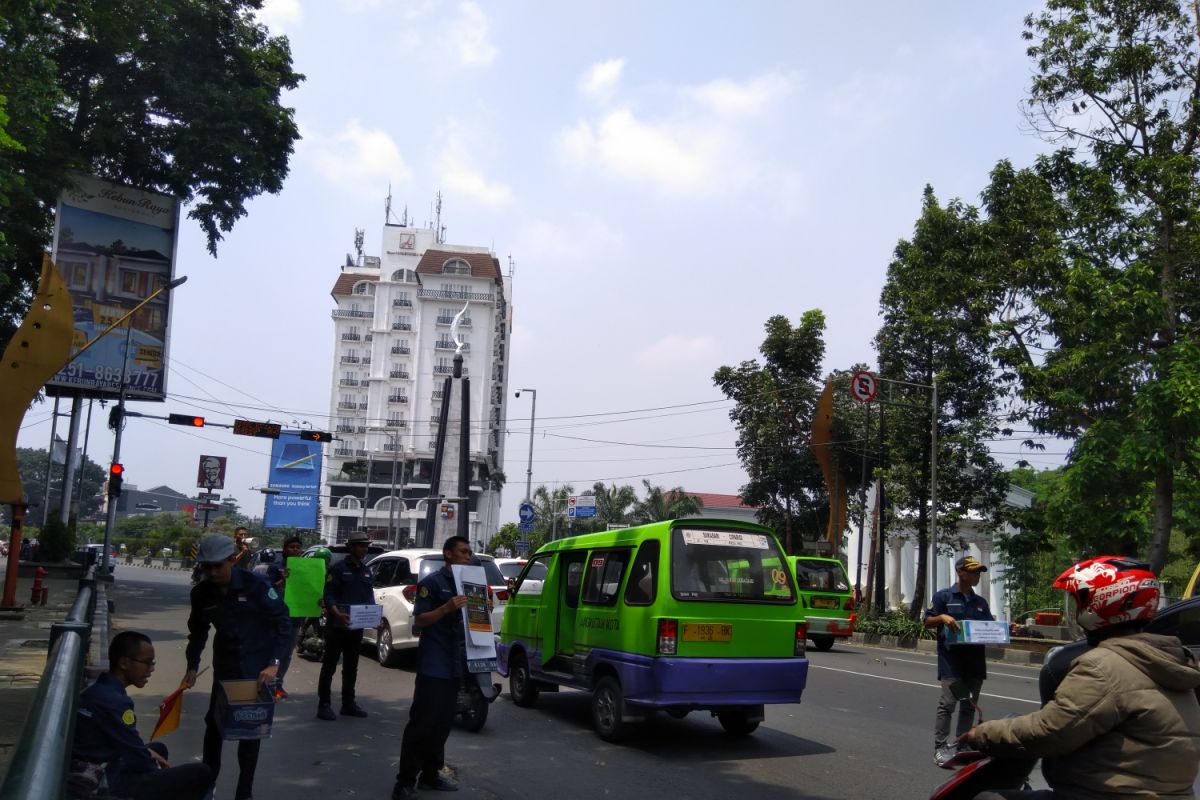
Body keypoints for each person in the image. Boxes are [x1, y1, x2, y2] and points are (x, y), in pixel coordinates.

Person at [963, 555, 1200, 799]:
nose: (1076, 611)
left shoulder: (1104, 666)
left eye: (1080, 602)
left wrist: (982, 734)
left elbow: (1050, 732)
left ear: (1102, 603)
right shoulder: (1173, 661)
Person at [184, 533, 290, 800]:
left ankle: (245, 792)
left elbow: (283, 622)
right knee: (215, 728)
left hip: (257, 670)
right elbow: (197, 633)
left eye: (218, 565)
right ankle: (207, 787)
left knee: (249, 732)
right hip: (226, 667)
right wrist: (192, 666)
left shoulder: (256, 585)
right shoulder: (201, 593)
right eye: (206, 567)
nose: (212, 572)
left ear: (232, 560)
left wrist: (274, 664)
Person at [72, 631, 213, 800]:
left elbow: (130, 745)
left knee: (158, 748)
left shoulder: (99, 690)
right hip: (103, 780)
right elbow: (139, 758)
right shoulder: (115, 702)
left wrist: (148, 755)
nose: (151, 669)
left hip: (99, 763)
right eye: (146, 663)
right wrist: (157, 771)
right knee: (201, 773)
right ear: (124, 663)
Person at [391, 536, 473, 798]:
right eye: (463, 551)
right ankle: (404, 782)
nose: (467, 556)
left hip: (454, 663)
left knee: (444, 723)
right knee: (422, 724)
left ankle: (430, 773)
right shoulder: (431, 583)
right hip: (434, 664)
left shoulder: (469, 586)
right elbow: (419, 621)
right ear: (448, 553)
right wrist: (446, 608)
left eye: (470, 552)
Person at [924, 554, 994, 768]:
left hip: (975, 663)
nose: (977, 576)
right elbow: (927, 621)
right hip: (951, 661)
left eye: (979, 572)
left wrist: (1005, 630)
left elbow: (989, 627)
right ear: (960, 572)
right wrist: (942, 618)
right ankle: (940, 747)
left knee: (969, 706)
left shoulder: (980, 602)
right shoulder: (943, 597)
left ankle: (962, 745)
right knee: (947, 705)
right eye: (973, 572)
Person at [317, 533, 375, 720]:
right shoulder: (338, 569)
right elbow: (329, 595)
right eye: (360, 546)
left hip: (356, 628)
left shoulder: (367, 571)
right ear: (351, 548)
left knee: (351, 667)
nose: (364, 549)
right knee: (329, 666)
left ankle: (348, 704)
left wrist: (375, 617)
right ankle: (324, 704)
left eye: (366, 546)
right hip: (337, 627)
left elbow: (369, 598)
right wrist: (336, 613)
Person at [269, 535, 304, 699]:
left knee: (288, 653)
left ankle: (278, 684)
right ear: (285, 550)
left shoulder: (306, 569)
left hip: (296, 617)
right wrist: (281, 581)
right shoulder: (275, 568)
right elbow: (267, 591)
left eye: (298, 547)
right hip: (277, 617)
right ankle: (268, 682)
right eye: (292, 547)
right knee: (275, 650)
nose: (295, 550)